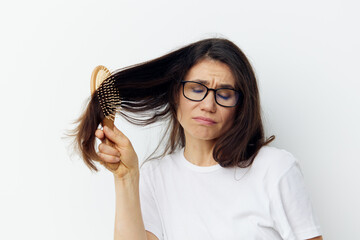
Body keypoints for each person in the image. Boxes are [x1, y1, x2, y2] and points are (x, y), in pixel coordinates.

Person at [73, 38, 323, 239]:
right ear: (176, 95)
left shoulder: (275, 169)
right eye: (197, 89)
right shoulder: (155, 176)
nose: (208, 105)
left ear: (241, 106)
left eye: (224, 94)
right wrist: (126, 178)